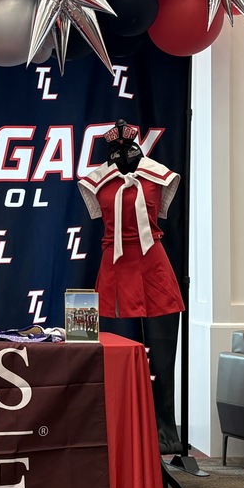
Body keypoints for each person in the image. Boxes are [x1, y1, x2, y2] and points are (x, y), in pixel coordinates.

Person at [78, 119, 185, 453]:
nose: (123, 154)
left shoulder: (161, 176)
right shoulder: (94, 182)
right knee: (112, 358)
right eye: (116, 150)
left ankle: (165, 433)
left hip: (155, 269)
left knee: (163, 362)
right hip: (114, 269)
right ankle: (112, 433)